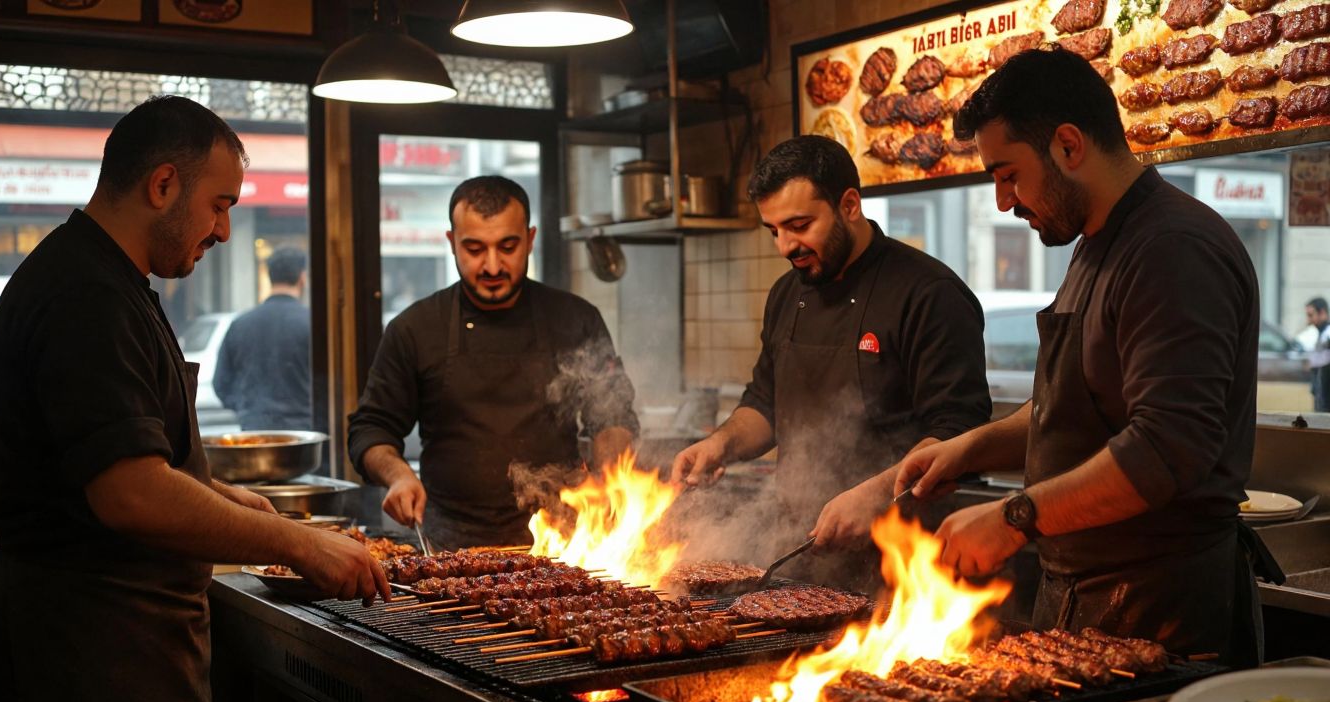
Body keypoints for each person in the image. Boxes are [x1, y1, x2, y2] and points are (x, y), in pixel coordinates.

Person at [0, 96, 389, 702]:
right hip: (96, 663)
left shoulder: (109, 280)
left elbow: (121, 456)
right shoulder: (89, 295)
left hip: (114, 653)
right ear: (163, 184)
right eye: (219, 204)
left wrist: (220, 494)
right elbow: (130, 494)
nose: (225, 231)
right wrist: (300, 543)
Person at [895, 49, 1264, 665]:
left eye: (1008, 173)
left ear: (1068, 145)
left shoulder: (1171, 249)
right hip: (1087, 603)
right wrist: (972, 448)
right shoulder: (1097, 245)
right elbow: (1073, 403)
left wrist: (1013, 517)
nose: (1003, 201)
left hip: (1163, 618)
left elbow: (1169, 447)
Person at [669, 135, 992, 557]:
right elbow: (766, 403)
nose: (785, 247)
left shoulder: (929, 293)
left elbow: (957, 433)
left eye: (800, 226)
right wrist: (720, 445)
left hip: (902, 559)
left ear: (850, 205)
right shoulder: (787, 293)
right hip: (798, 550)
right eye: (774, 231)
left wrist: (875, 495)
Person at [348, 176, 639, 550]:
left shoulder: (575, 319)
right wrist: (399, 475)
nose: (491, 265)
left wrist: (609, 477)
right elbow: (370, 430)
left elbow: (613, 414)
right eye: (474, 248)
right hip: (448, 549)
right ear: (452, 243)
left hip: (563, 547)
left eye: (508, 246)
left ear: (530, 239)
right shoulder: (415, 328)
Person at [214, 247, 313, 430]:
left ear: (270, 276)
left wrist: (246, 409)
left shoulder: (240, 324)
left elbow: (221, 383)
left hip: (254, 431)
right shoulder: (313, 324)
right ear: (302, 277)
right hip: (304, 432)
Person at [1306, 297, 1330, 412]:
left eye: (1311, 315)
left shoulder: (1328, 335)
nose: (1308, 320)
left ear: (1322, 313)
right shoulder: (1322, 335)